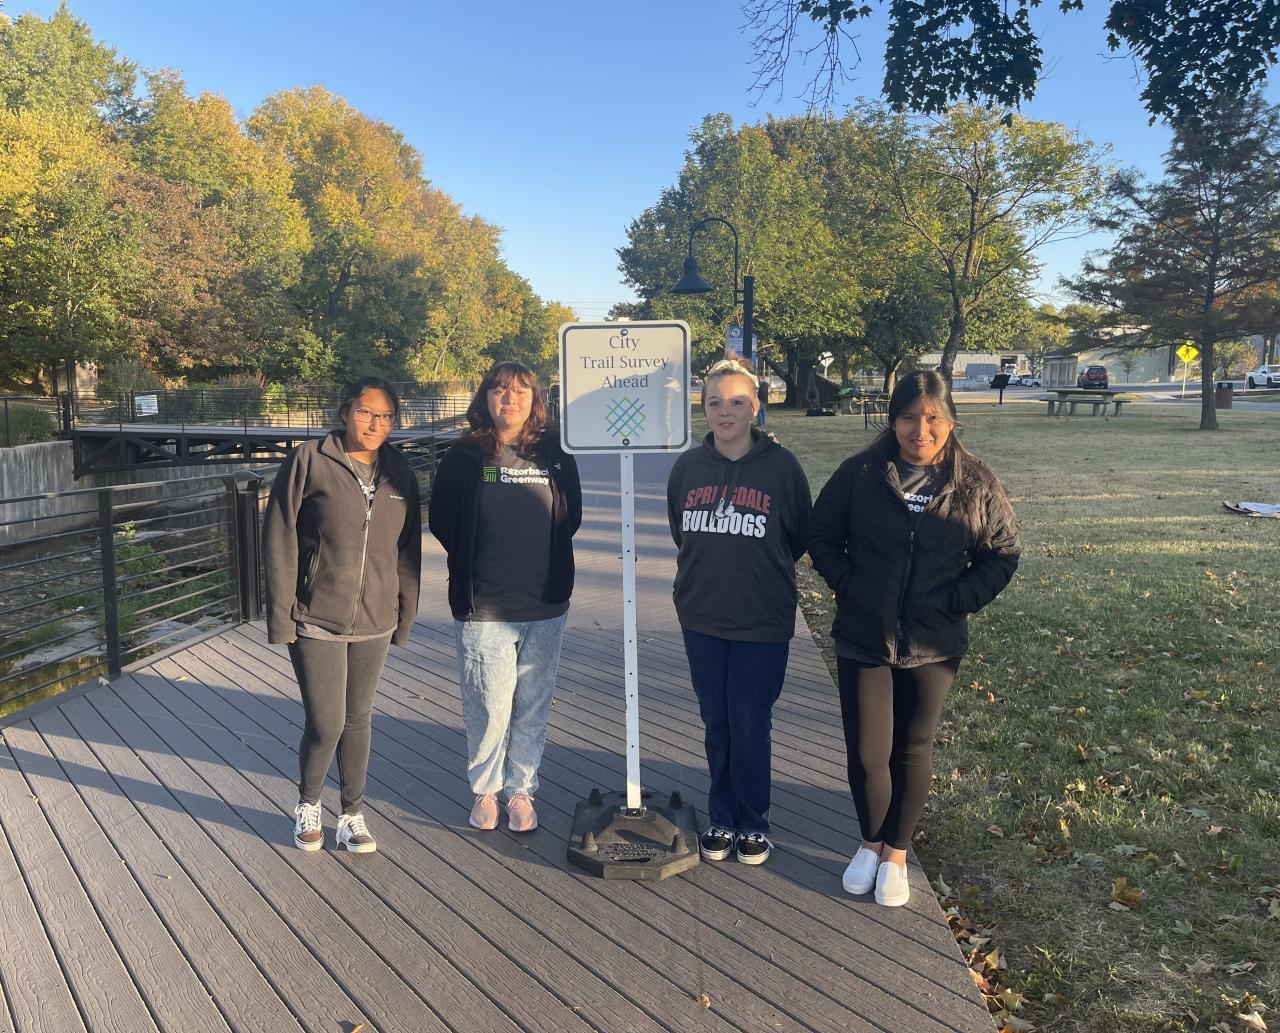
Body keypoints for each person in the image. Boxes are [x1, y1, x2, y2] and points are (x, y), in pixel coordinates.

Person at [808, 371, 1019, 906]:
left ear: (950, 421)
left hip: (934, 643)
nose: (919, 430)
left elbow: (1002, 552)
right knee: (867, 752)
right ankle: (870, 844)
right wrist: (852, 587)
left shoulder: (975, 482)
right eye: (908, 417)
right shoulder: (859, 474)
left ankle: (896, 855)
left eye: (932, 418)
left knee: (912, 748)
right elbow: (822, 535)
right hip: (865, 636)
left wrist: (957, 599)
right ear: (892, 419)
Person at [263, 376, 422, 854]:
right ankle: (308, 803)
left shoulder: (401, 474)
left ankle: (352, 814)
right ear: (345, 412)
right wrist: (281, 615)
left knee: (358, 719)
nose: (375, 424)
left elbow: (408, 551)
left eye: (386, 416)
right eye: (365, 412)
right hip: (316, 616)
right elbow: (279, 536)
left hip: (376, 619)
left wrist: (404, 615)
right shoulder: (309, 460)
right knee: (326, 721)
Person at [667, 358, 811, 866]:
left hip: (762, 618)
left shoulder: (782, 468)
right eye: (714, 402)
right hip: (702, 616)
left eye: (736, 401)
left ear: (756, 408)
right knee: (717, 721)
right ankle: (721, 817)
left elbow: (797, 535)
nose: (724, 411)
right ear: (703, 408)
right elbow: (681, 530)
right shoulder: (688, 468)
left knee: (749, 721)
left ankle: (753, 821)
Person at [429, 361, 581, 834]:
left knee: (533, 701)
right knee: (489, 704)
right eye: (499, 391)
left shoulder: (556, 453)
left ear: (535, 401)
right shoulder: (464, 456)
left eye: (519, 391)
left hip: (544, 601)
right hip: (485, 604)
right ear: (486, 399)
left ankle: (521, 790)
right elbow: (442, 519)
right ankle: (486, 790)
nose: (508, 399)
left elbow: (571, 515)